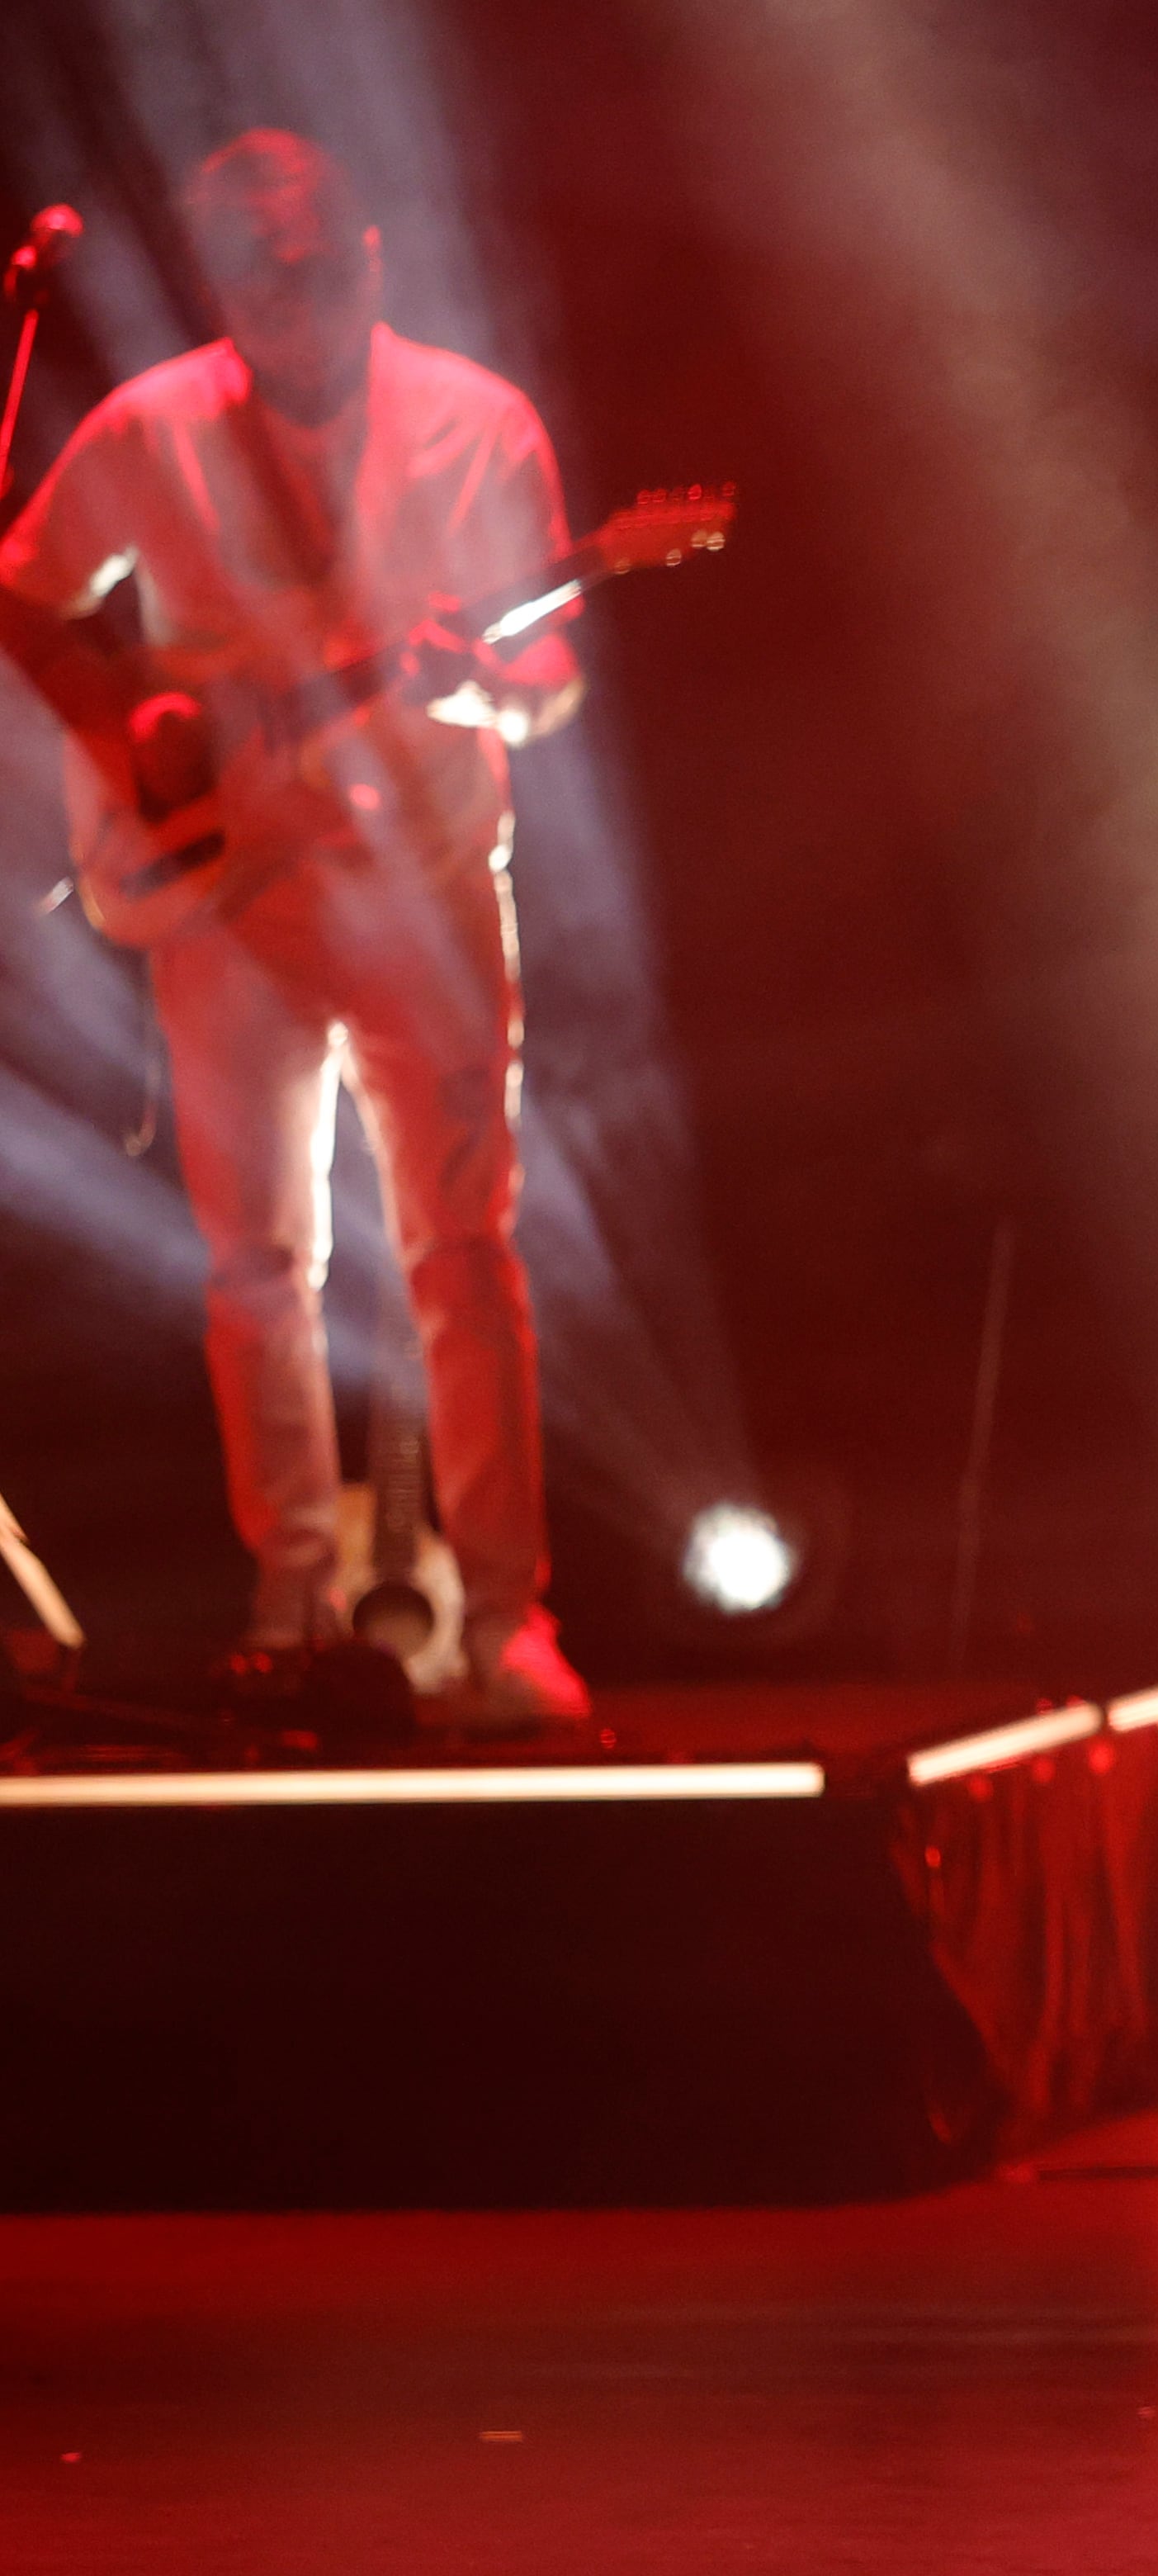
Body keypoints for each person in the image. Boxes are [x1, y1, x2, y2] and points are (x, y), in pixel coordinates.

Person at [0, 131, 591, 1721]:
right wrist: (143, 725)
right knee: (256, 1262)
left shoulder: (476, 428)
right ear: (215, 278)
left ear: (371, 255)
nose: (288, 292)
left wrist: (470, 674)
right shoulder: (148, 429)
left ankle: (506, 1622)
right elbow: (23, 590)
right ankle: (291, 1602)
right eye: (254, 267)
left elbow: (549, 683)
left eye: (312, 260)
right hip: (226, 893)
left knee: (461, 1254)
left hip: (424, 889)